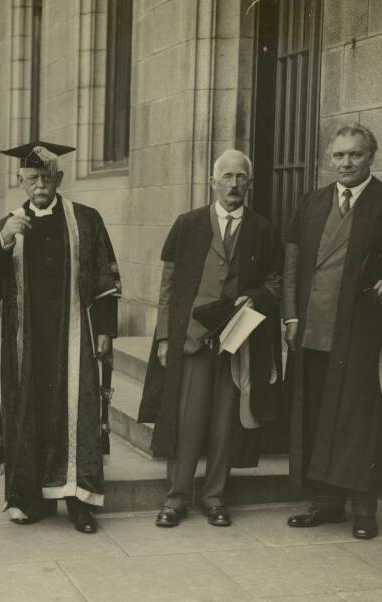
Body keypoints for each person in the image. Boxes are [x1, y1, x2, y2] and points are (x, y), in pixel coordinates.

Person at [283, 124, 382, 540]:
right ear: (329, 158)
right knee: (318, 418)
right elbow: (293, 266)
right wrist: (291, 317)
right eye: (338, 156)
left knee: (360, 423)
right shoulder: (312, 203)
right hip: (314, 330)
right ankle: (324, 504)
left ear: (372, 156)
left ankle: (364, 511)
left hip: (362, 334)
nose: (345, 163)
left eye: (354, 155)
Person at [0, 141, 120, 534]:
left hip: (73, 337)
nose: (40, 185)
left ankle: (79, 502)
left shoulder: (85, 220)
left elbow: (106, 279)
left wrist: (105, 329)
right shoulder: (9, 223)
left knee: (76, 413)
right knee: (28, 413)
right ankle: (28, 499)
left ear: (60, 179)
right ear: (20, 181)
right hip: (26, 343)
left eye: (47, 177)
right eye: (32, 178)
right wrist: (2, 245)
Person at [138, 150, 282, 528]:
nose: (234, 185)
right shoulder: (188, 224)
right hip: (192, 340)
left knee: (224, 422)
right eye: (227, 177)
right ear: (213, 182)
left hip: (237, 340)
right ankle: (176, 497)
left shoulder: (263, 230)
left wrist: (256, 298)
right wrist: (166, 339)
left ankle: (215, 496)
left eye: (241, 178)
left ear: (249, 183)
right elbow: (168, 286)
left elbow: (276, 281)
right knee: (187, 420)